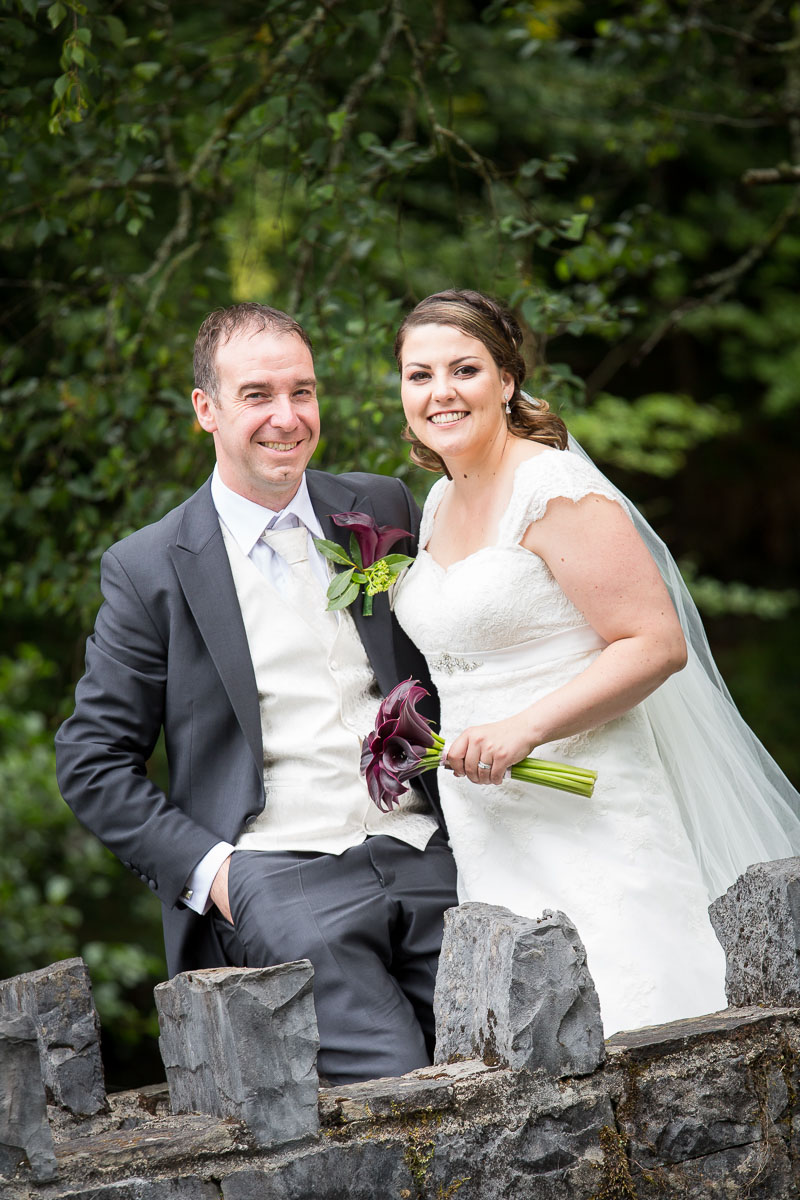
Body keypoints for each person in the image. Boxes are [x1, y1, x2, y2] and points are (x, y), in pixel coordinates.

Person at [55, 302, 458, 1084]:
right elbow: (91, 760)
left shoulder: (381, 508)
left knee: (517, 1051)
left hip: (428, 853)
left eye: (302, 392)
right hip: (282, 877)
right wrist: (220, 875)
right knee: (399, 1090)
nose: (287, 417)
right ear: (205, 408)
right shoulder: (149, 569)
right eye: (257, 395)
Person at [391, 288, 800, 1035]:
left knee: (635, 1017)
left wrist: (525, 730)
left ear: (507, 381)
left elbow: (656, 643)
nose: (440, 393)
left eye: (464, 369)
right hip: (489, 815)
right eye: (419, 376)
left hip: (590, 804)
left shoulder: (553, 490)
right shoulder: (440, 503)